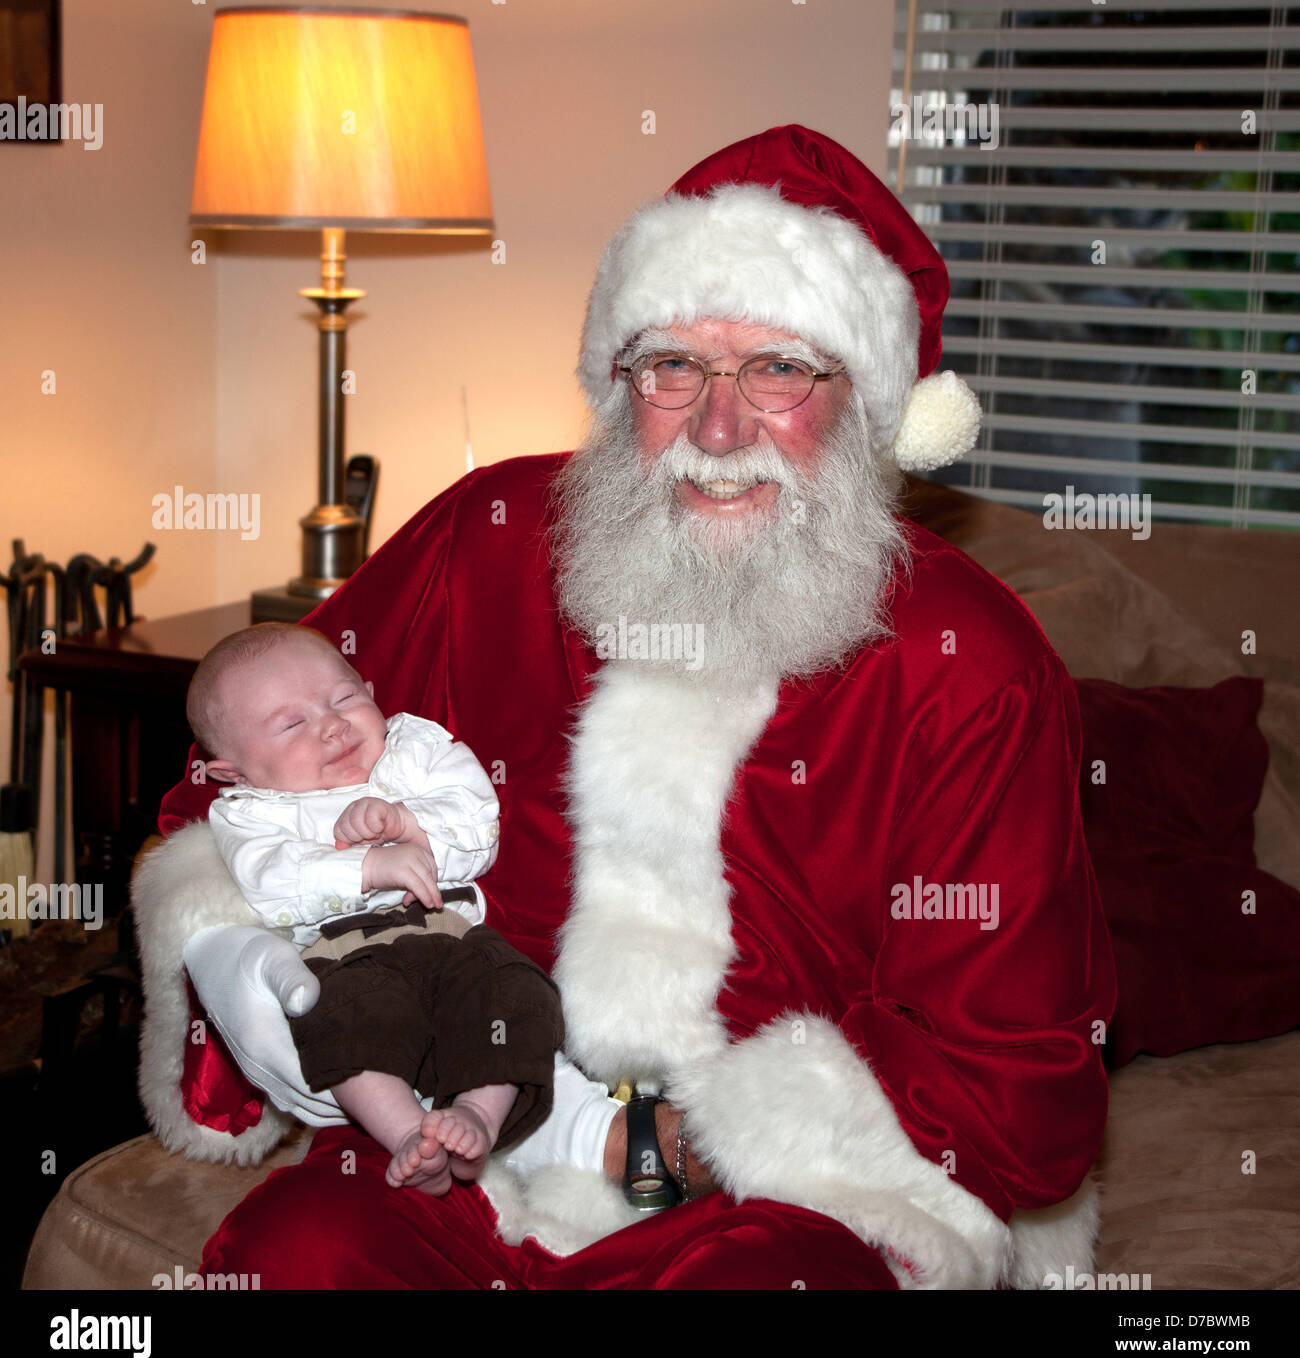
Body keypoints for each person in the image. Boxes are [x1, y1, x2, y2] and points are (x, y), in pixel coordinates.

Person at [134, 124, 1117, 1289]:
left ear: (865, 402)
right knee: (291, 1254)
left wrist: (672, 1147)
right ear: (621, 381)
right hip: (463, 1140)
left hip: (796, 1189)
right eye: (674, 367)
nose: (715, 428)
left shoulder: (971, 663)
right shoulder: (486, 540)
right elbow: (232, 763)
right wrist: (269, 983)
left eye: (778, 368)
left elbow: (1011, 1087)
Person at [186, 621, 565, 1193]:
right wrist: (365, 868)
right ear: (233, 771)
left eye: (345, 698)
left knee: (519, 992)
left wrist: (411, 825)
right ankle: (409, 1134)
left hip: (454, 934)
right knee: (337, 1024)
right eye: (292, 724)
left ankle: (478, 1118)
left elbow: (478, 825)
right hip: (346, 956)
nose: (334, 726)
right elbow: (270, 884)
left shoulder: (414, 749)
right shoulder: (251, 814)